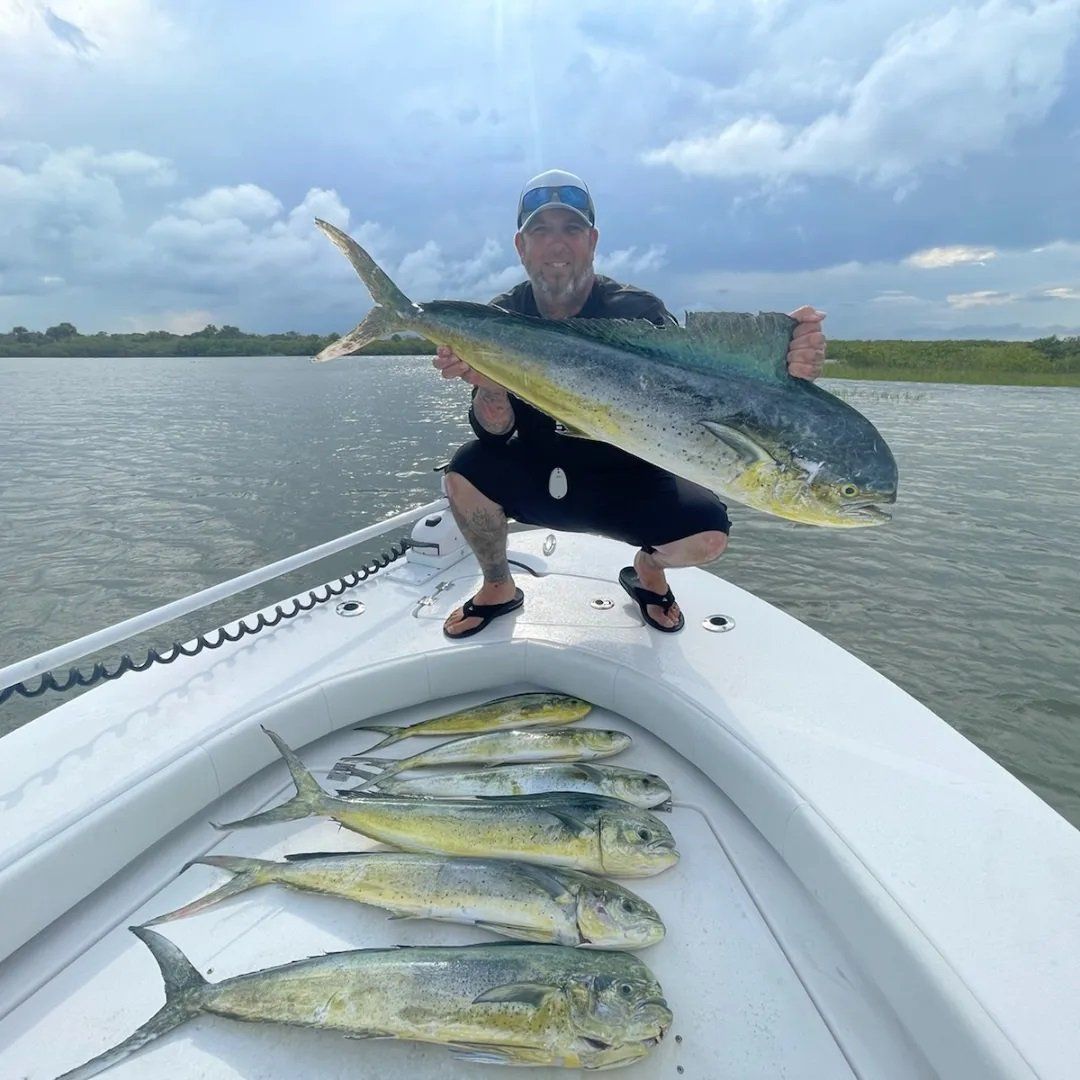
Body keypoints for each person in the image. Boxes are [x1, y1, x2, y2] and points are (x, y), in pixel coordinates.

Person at [433, 169, 826, 639]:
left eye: (572, 230)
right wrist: (489, 381)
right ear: (521, 246)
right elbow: (494, 432)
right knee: (465, 471)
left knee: (708, 534)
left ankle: (647, 572)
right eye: (541, 231)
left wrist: (779, 372)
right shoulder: (497, 319)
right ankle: (498, 586)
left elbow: (702, 395)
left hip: (630, 474)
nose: (557, 245)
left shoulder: (636, 312)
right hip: (539, 467)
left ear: (593, 240)